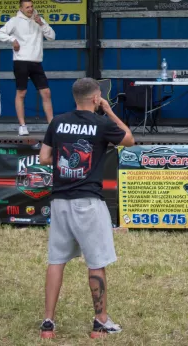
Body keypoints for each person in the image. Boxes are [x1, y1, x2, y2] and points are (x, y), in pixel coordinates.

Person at [37, 78, 134, 340]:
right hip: (89, 202)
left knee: (56, 261)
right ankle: (100, 322)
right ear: (96, 98)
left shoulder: (57, 122)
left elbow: (44, 157)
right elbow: (129, 139)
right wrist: (109, 110)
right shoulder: (102, 123)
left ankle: (48, 324)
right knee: (96, 262)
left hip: (59, 200)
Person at [0, 0, 56, 136]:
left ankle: (51, 125)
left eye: (31, 6)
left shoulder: (38, 20)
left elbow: (52, 37)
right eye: (27, 7)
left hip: (36, 62)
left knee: (46, 93)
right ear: (21, 9)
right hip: (21, 61)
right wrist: (12, 40)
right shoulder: (15, 21)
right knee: (21, 93)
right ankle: (22, 126)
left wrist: (41, 24)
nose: (30, 9)